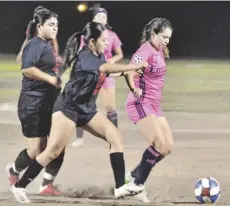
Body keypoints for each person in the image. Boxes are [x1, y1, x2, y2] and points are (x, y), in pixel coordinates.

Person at [10, 21, 147, 203]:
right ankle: (19, 186)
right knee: (52, 152)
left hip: (86, 109)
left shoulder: (96, 56)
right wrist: (134, 66)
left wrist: (127, 75)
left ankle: (120, 187)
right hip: (68, 108)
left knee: (116, 137)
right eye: (103, 40)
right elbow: (105, 68)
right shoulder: (86, 56)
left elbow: (106, 72)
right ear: (91, 42)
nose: (107, 43)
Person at [6, 9, 64, 197]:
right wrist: (51, 79)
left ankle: (47, 184)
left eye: (56, 25)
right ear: (39, 27)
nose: (55, 28)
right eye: (50, 24)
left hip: (49, 102)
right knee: (36, 149)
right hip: (33, 103)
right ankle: (14, 170)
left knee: (56, 144)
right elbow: (27, 69)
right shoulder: (34, 44)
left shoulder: (47, 45)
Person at [124, 18, 174, 202]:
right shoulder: (145, 50)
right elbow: (130, 70)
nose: (166, 41)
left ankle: (132, 176)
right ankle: (136, 185)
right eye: (163, 37)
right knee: (158, 143)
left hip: (154, 105)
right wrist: (133, 88)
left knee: (167, 147)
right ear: (153, 34)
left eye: (169, 37)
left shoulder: (159, 50)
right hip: (140, 102)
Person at [72, 7, 123, 147]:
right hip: (90, 75)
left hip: (106, 74)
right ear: (93, 19)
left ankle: (114, 138)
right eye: (98, 16)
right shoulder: (86, 36)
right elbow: (81, 53)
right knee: (81, 104)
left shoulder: (112, 35)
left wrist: (112, 61)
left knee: (110, 107)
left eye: (104, 16)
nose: (101, 18)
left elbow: (119, 54)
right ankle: (79, 139)